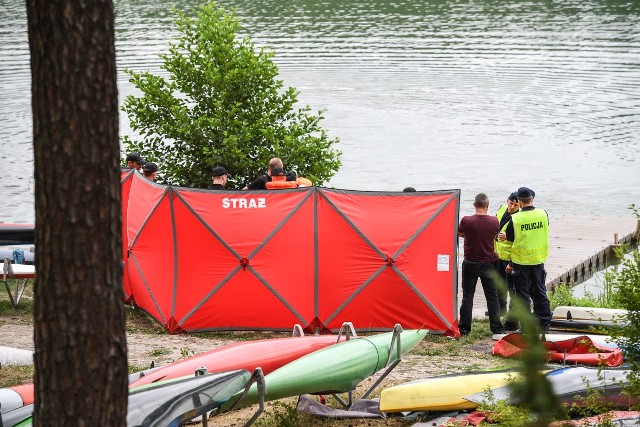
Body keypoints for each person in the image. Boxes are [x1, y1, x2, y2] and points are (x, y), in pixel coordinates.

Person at [501, 187, 551, 332]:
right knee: (540, 291)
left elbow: (509, 237)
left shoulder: (516, 218)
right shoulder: (543, 214)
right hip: (538, 260)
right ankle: (544, 323)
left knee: (522, 295)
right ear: (532, 199)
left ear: (520, 202)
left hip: (520, 262)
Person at [458, 193, 504, 336]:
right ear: (487, 206)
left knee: (467, 296)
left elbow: (459, 234)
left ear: (474, 205)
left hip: (470, 262)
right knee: (492, 296)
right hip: (489, 263)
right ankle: (496, 328)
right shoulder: (494, 221)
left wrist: (471, 236)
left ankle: (464, 329)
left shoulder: (466, 220)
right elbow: (495, 235)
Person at [493, 192, 520, 316]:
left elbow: (522, 240)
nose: (512, 206)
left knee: (512, 288)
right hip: (498, 255)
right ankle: (500, 309)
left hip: (510, 258)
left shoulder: (520, 217)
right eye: (511, 203)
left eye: (516, 204)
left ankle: (512, 314)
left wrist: (509, 236)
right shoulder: (502, 208)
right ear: (507, 201)